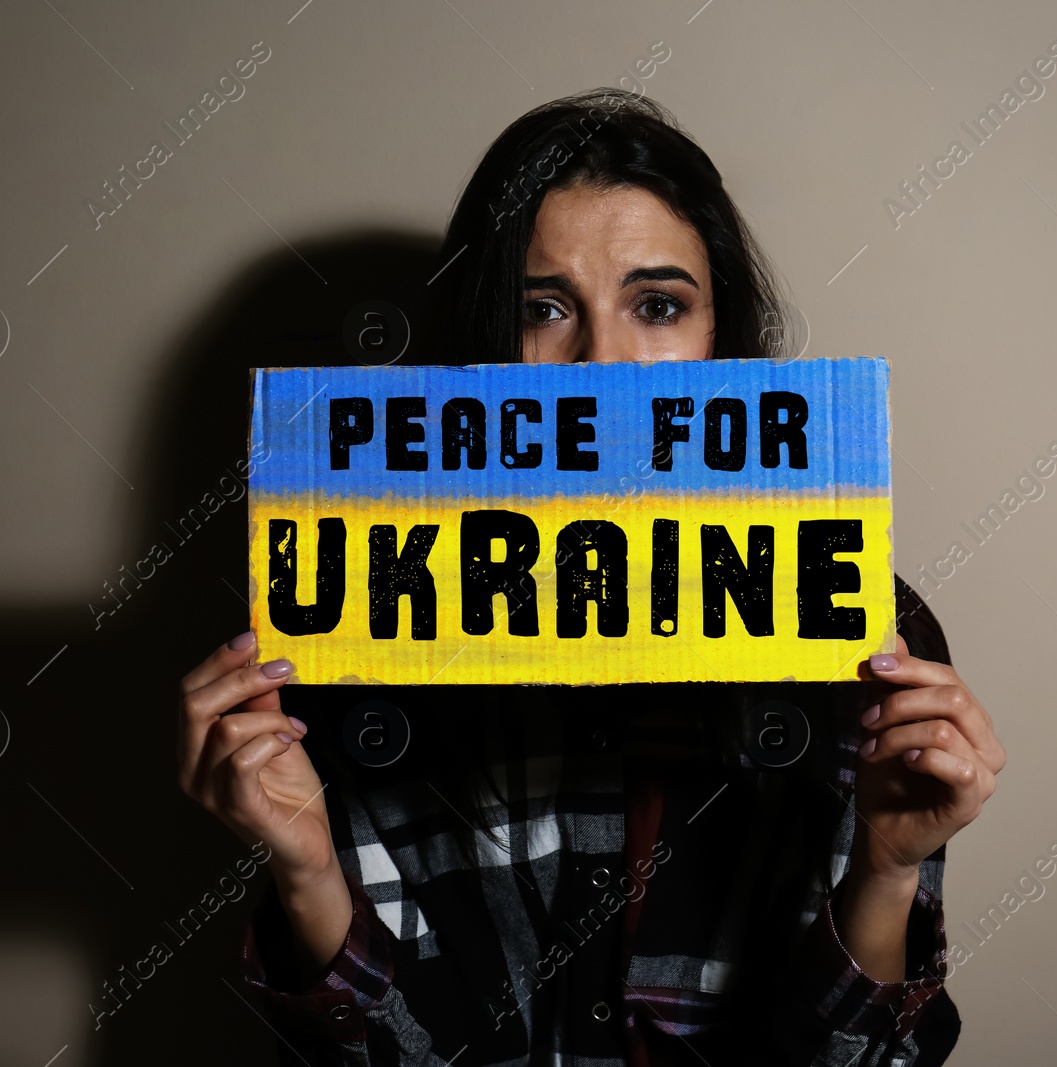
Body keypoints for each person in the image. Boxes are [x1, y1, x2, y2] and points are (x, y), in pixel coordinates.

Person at [177, 88, 1005, 1066]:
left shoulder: (863, 631)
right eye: (542, 308)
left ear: (719, 339)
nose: (602, 362)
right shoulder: (355, 615)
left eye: (657, 305)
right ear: (480, 344)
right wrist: (308, 869)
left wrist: (885, 868)